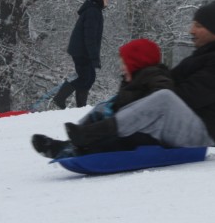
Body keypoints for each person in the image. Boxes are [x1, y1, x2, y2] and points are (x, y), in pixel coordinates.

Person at [32, 0, 215, 158]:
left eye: (199, 26)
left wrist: (150, 93)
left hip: (201, 133)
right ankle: (72, 146)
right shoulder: (203, 57)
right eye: (193, 23)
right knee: (114, 106)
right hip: (184, 123)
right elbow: (172, 81)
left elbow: (188, 97)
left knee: (162, 99)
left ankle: (89, 135)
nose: (191, 30)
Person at [32, 38, 173, 158]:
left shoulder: (156, 77)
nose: (122, 68)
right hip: (132, 127)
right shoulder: (132, 80)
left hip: (148, 132)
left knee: (114, 139)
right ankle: (72, 143)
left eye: (125, 63)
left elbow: (160, 100)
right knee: (101, 113)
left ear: (138, 62)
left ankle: (76, 150)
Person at [53, 0, 108, 108]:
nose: (106, 0)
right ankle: (60, 98)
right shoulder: (92, 12)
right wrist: (94, 57)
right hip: (81, 51)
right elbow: (90, 37)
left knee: (89, 78)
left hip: (82, 50)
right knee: (85, 77)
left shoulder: (94, 11)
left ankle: (81, 107)